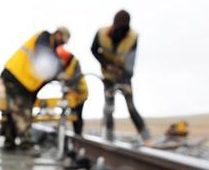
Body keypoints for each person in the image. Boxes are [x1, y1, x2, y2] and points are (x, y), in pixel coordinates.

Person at [0, 27, 70, 152]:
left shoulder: (50, 48)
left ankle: (9, 142)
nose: (62, 44)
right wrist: (59, 69)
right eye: (62, 41)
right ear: (58, 34)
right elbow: (43, 55)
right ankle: (26, 143)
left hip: (21, 80)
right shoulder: (45, 37)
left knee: (15, 111)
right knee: (22, 111)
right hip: (16, 76)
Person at [90, 9, 150, 142]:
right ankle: (109, 137)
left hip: (124, 75)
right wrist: (106, 65)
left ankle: (146, 138)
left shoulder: (132, 37)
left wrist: (126, 79)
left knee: (131, 106)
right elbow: (94, 50)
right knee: (109, 107)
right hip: (108, 76)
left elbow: (130, 62)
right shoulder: (101, 33)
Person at [56, 45, 89, 135]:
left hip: (80, 92)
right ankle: (70, 134)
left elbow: (76, 78)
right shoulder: (62, 65)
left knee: (77, 115)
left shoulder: (74, 62)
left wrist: (71, 89)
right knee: (72, 114)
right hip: (70, 93)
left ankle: (78, 134)